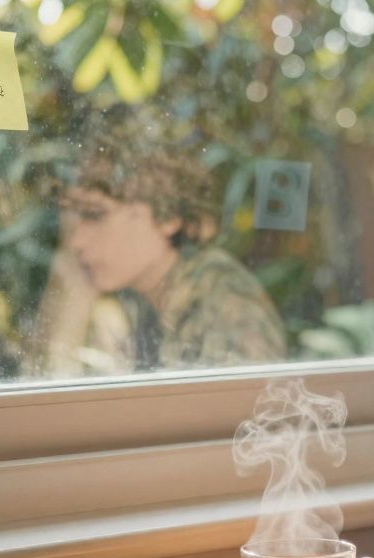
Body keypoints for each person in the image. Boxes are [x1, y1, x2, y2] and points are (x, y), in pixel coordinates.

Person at [31, 121, 286, 376]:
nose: (76, 241)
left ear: (167, 216)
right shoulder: (142, 302)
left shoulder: (222, 302)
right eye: (73, 221)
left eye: (95, 215)